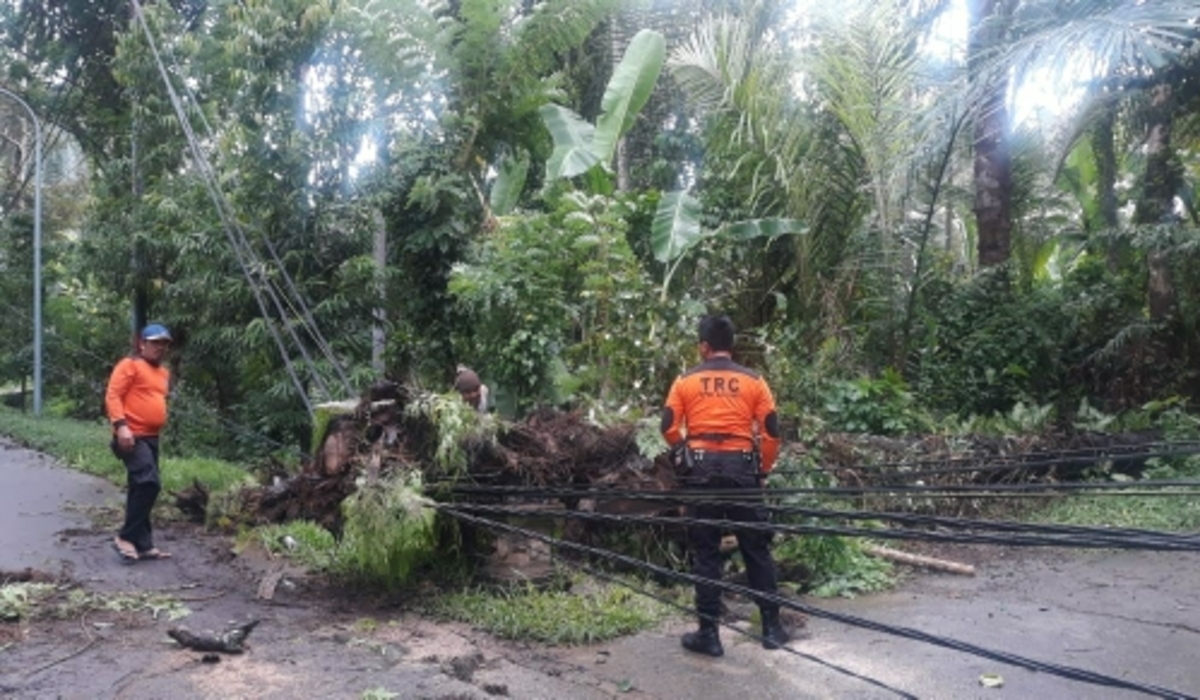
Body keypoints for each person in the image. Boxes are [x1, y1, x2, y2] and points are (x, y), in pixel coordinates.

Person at [661, 314, 786, 657]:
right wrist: (762, 470)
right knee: (755, 547)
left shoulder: (685, 381)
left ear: (704, 346)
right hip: (742, 468)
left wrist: (683, 452)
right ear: (731, 346)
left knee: (706, 552)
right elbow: (773, 432)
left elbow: (669, 426)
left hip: (700, 470)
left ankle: (709, 635)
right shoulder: (754, 381)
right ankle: (773, 630)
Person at [105, 323, 174, 563]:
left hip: (152, 437)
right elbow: (113, 395)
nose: (160, 348)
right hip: (131, 435)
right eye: (155, 342)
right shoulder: (130, 365)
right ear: (142, 344)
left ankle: (143, 544)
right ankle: (125, 537)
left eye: (164, 343)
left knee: (140, 486)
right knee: (149, 483)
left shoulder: (163, 373)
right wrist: (121, 426)